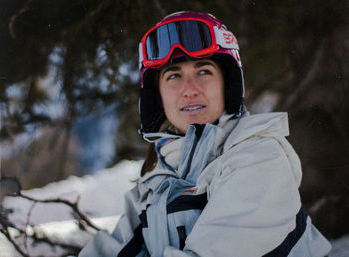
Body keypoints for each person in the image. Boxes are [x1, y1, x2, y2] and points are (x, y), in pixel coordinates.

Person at [79, 11, 331, 257]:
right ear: (158, 97)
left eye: (204, 71)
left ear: (227, 84)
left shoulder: (260, 159)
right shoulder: (157, 182)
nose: (189, 89)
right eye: (174, 76)